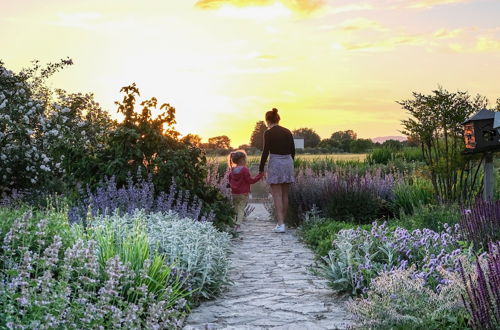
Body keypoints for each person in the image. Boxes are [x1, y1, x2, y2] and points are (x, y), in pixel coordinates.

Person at [259, 108, 295, 233]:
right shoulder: (287, 131)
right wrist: (289, 163)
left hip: (275, 162)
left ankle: (280, 224)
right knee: (285, 194)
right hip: (288, 162)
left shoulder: (268, 133)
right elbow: (293, 150)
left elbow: (265, 151)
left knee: (277, 195)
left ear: (267, 120)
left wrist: (261, 168)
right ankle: (282, 222)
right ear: (278, 119)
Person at [228, 150, 264, 232]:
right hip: (243, 193)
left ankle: (233, 223)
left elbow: (229, 181)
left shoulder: (232, 170)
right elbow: (250, 181)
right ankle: (238, 226)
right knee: (241, 209)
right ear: (242, 160)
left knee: (235, 209)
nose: (246, 161)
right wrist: (259, 176)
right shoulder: (244, 170)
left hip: (234, 193)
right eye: (245, 159)